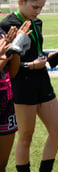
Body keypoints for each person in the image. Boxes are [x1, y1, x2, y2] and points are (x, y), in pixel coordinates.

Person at [0, 0, 58, 172]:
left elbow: (35, 51)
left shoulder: (36, 22)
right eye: (35, 7)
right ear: (21, 2)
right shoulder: (7, 24)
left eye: (41, 8)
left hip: (42, 81)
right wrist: (31, 66)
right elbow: (7, 67)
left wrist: (49, 57)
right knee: (26, 136)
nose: (38, 12)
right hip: (21, 84)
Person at [0, 23, 31, 172]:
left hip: (6, 103)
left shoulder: (2, 33)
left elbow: (12, 73)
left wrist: (16, 48)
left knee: (2, 165)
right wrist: (3, 54)